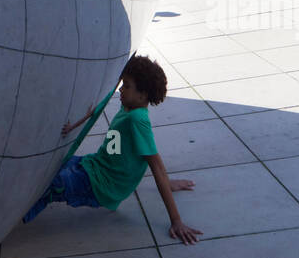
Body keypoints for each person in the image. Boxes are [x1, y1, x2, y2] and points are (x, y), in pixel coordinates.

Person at [22, 55, 202, 245]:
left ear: (143, 95)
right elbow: (96, 109)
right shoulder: (128, 106)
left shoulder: (138, 120)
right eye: (123, 84)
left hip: (104, 186)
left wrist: (176, 220)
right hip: (95, 165)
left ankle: (15, 214)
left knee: (53, 183)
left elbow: (155, 164)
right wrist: (73, 126)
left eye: (127, 86)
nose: (121, 90)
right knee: (53, 165)